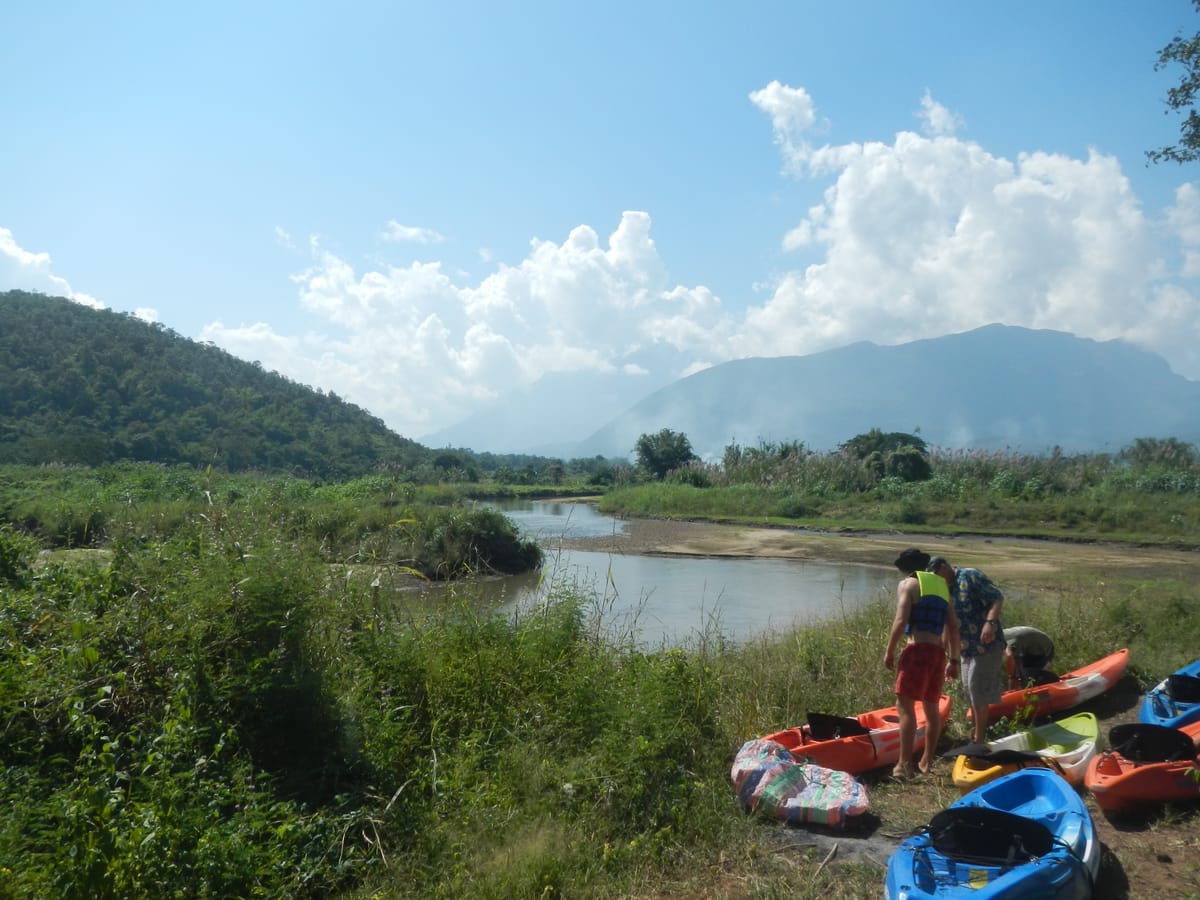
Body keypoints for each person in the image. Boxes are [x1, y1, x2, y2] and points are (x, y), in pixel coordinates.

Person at [884, 548, 961, 779]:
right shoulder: (941, 586)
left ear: (906, 569)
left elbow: (901, 619)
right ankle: (926, 761)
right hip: (938, 653)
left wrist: (889, 651)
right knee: (931, 709)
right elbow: (954, 626)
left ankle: (903, 765)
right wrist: (954, 659)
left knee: (905, 708)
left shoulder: (908, 584)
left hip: (917, 650)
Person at [927, 555, 1005, 744]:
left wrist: (990, 623)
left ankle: (979, 739)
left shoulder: (970, 575)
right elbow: (949, 624)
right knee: (969, 690)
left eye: (938, 575)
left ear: (945, 567)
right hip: (965, 648)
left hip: (986, 644)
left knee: (977, 688)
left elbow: (997, 598)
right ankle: (979, 731)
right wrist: (948, 657)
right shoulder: (944, 588)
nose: (938, 579)